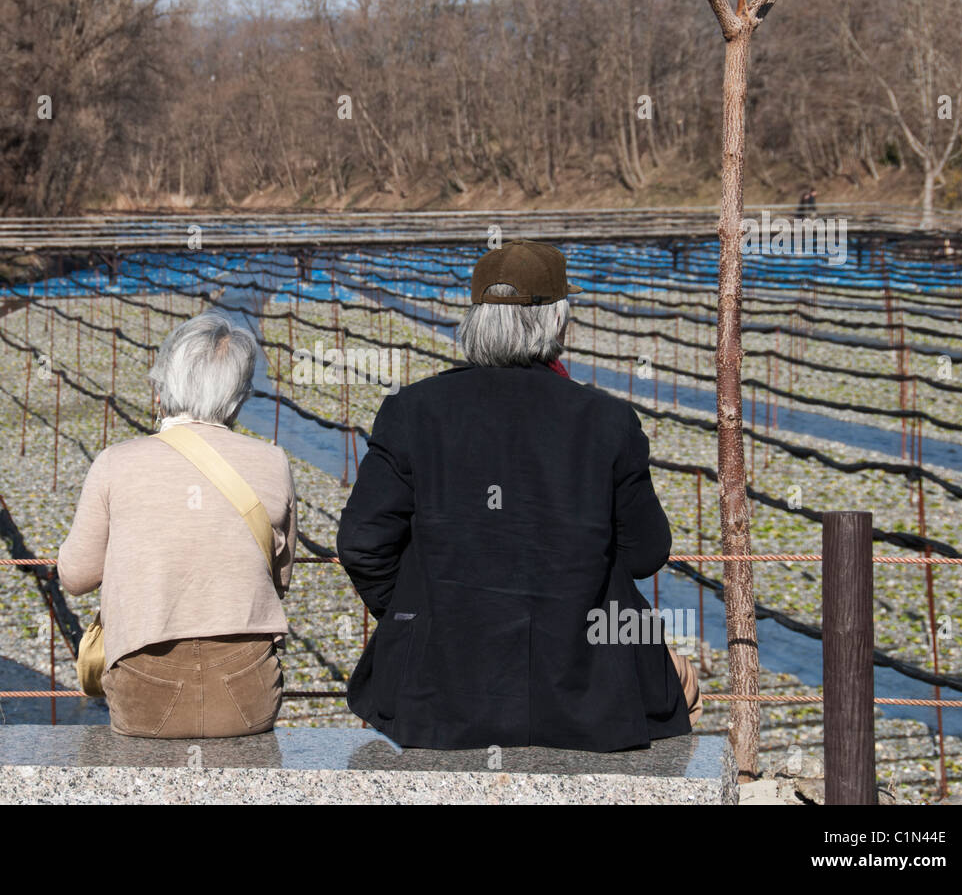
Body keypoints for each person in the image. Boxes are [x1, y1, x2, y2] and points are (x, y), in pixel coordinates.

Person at [337, 239, 701, 752]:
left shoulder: (412, 412)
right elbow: (646, 553)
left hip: (440, 692)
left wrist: (420, 614)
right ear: (558, 323)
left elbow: (360, 543)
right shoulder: (607, 420)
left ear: (475, 322)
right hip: (592, 693)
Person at [58, 311, 298, 738]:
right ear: (239, 394)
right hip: (247, 694)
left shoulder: (117, 462)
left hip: (143, 690)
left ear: (163, 386)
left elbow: (76, 577)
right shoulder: (273, 463)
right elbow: (279, 578)